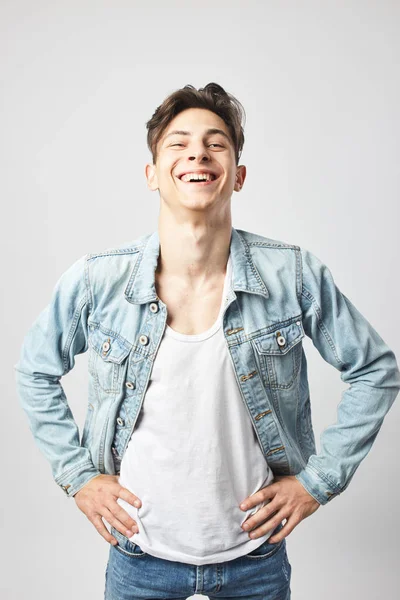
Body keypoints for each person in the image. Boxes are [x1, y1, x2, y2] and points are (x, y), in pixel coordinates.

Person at [15, 83, 400, 600]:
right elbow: (35, 369)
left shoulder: (292, 273)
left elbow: (376, 370)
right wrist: (78, 477)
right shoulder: (97, 281)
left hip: (254, 557)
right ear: (151, 174)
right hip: (140, 556)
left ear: (238, 176)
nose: (197, 152)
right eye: (178, 143)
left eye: (216, 143)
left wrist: (317, 482)